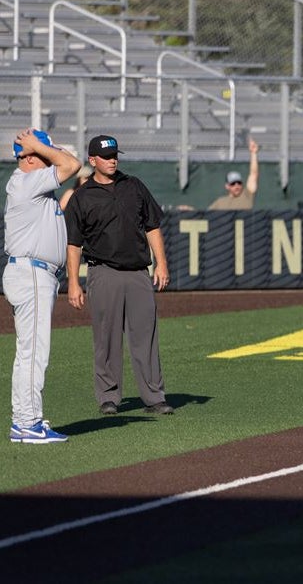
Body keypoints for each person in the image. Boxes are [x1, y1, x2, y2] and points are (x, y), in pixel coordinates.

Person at [64, 134, 174, 415]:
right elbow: (74, 244)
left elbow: (152, 226)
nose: (113, 160)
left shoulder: (133, 186)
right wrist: (74, 282)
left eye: (115, 155)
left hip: (138, 271)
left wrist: (161, 263)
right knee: (106, 338)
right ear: (92, 160)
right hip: (103, 273)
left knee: (145, 338)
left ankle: (154, 396)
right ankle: (108, 397)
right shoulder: (82, 196)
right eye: (106, 156)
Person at [4, 129, 82, 444]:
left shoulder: (33, 186)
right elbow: (72, 165)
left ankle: (24, 421)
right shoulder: (26, 182)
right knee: (34, 352)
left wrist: (41, 147)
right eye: (43, 152)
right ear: (31, 156)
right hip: (32, 273)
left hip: (32, 272)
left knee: (29, 353)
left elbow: (65, 162)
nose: (50, 155)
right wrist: (37, 146)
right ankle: (28, 422)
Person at [208, 137, 259, 210]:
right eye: (233, 184)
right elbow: (205, 216)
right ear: (227, 186)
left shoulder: (247, 196)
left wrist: (253, 153)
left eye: (239, 183)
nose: (237, 186)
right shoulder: (220, 203)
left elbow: (253, 175)